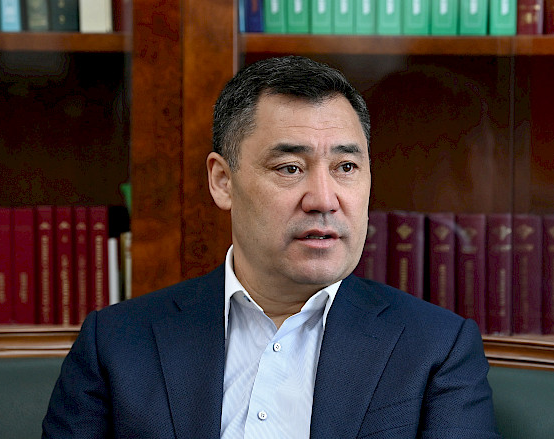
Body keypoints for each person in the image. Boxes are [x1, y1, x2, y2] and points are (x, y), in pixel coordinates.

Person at [42, 55, 501, 439]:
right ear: (222, 181)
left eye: (345, 167)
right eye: (289, 168)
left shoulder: (436, 349)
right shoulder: (117, 345)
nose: (323, 199)